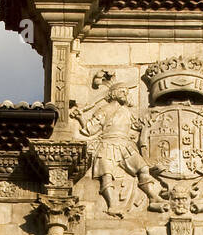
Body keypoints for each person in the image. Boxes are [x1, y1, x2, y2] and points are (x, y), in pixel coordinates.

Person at [71, 84, 166, 215]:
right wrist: (80, 116)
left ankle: (152, 195)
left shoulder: (126, 111)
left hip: (125, 145)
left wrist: (152, 118)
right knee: (106, 175)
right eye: (122, 91)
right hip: (107, 144)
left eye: (126, 92)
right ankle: (112, 205)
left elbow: (138, 125)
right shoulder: (103, 110)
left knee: (143, 168)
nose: (125, 94)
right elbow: (90, 129)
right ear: (114, 93)